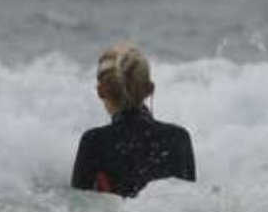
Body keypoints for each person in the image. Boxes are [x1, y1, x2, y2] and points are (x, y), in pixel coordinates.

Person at [71, 43, 197, 198]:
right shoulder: (178, 138)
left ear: (101, 91)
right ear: (150, 89)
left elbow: (78, 208)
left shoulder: (93, 142)